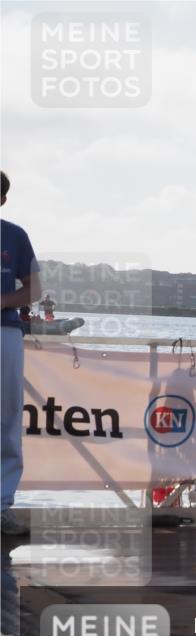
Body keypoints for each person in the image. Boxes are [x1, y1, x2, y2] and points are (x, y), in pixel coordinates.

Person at [1, 170, 41, 536]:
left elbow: (34, 289)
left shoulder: (15, 236)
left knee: (8, 418)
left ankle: (1, 506)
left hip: (4, 334)